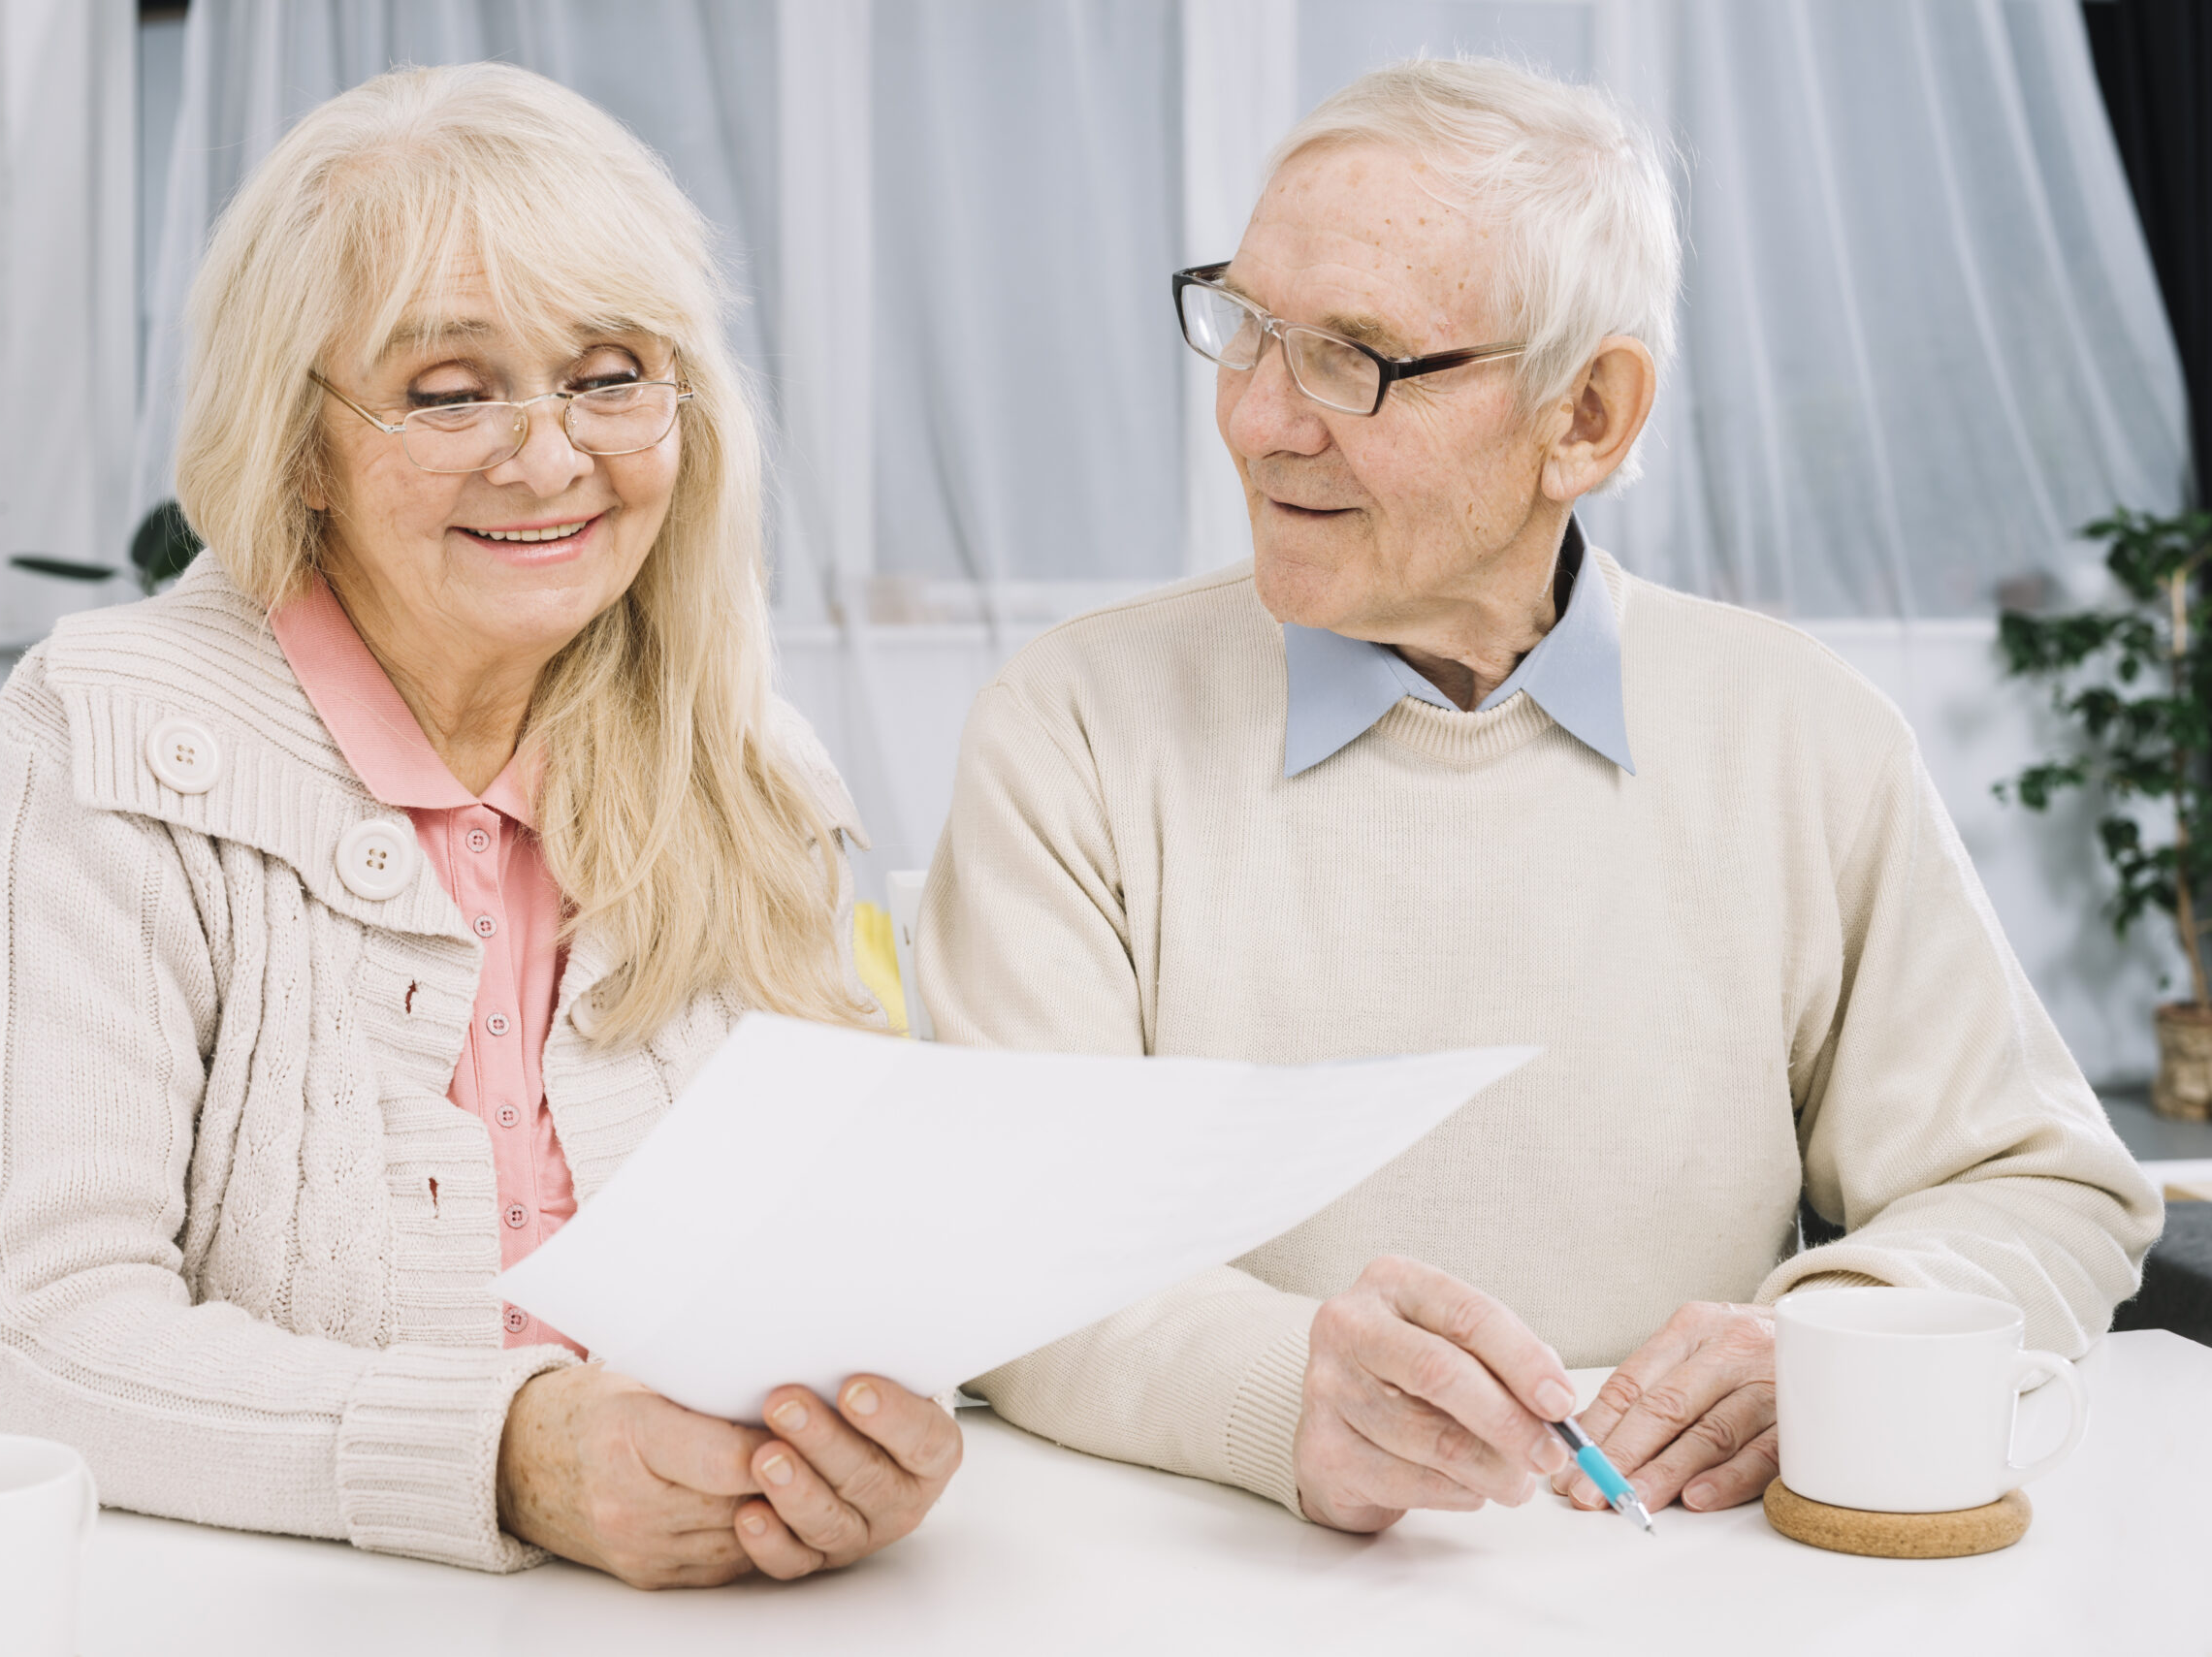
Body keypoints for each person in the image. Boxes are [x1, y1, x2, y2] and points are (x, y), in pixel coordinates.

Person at [917, 57, 2159, 1534]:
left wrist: (1831, 1344)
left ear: (1589, 415)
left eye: (1354, 355)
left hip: (1693, 1586)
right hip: (1208, 1568)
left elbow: (2043, 1186)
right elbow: (1021, 1244)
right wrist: (1287, 1389)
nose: (1257, 419)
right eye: (1248, 327)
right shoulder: (1071, 728)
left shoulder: (1806, 736)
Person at [0, 63, 960, 1586]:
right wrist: (508, 1452)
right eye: (451, 393)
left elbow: (843, 1247)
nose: (547, 456)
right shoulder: (108, 728)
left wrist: (855, 1425)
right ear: (300, 441)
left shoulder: (752, 763)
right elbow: (42, 1330)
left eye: (607, 374)